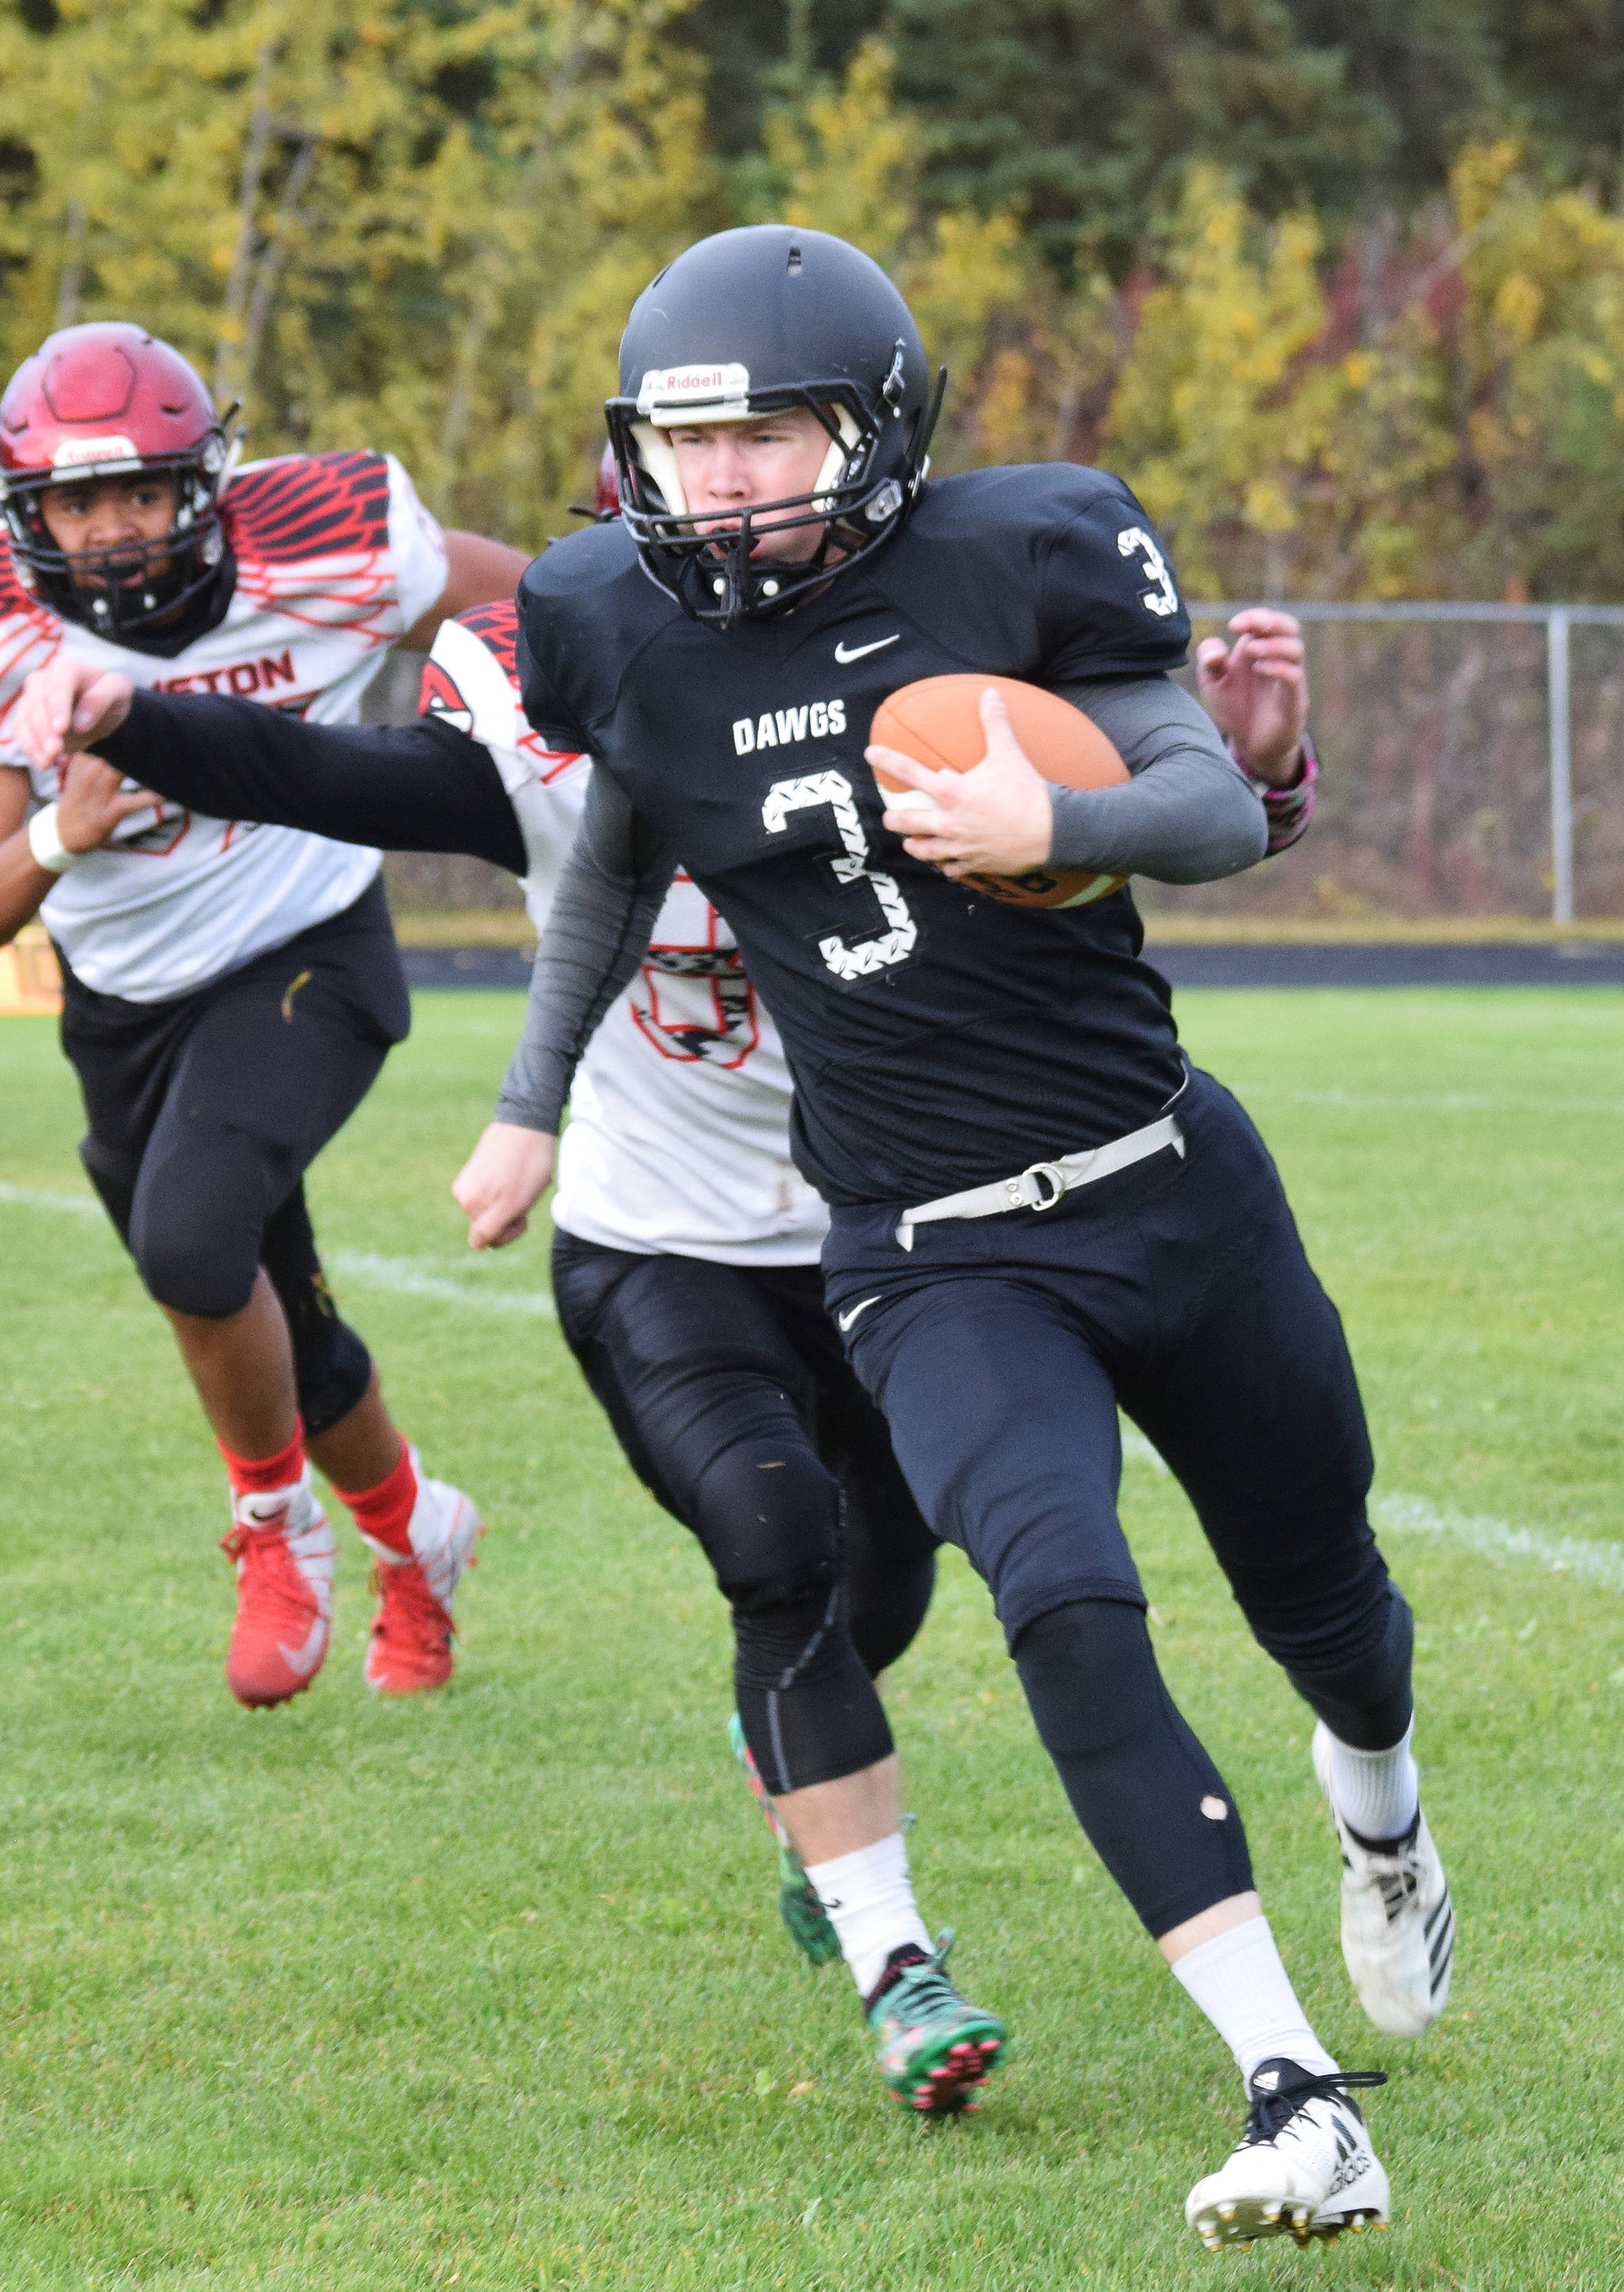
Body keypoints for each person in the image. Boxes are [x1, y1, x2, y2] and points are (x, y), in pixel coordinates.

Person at [16, 539, 1317, 2118]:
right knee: (780, 1552)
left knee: (878, 1588)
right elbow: (322, 769)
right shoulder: (564, 733)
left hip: (899, 1237)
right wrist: (135, 721)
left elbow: (1124, 836)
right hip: (661, 1247)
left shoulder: (919, 694)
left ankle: (795, 1748)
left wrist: (1260, 770)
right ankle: (897, 1963)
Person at [442, 226, 1451, 2244]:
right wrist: (531, 1099)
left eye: (770, 439)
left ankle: (1386, 1820)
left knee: (1323, 1595)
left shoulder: (1022, 554)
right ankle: (1293, 2087)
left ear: (878, 432)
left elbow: (1210, 802)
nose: (720, 485)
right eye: (685, 444)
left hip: (1167, 1178)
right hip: (923, 1243)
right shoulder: (613, 622)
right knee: (1060, 1596)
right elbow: (613, 871)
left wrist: (1048, 830)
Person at [0, 321, 530, 1708]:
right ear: (29, 513)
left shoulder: (325, 537)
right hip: (123, 1008)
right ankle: (420, 1539)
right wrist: (58, 835)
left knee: (190, 1233)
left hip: (312, 948)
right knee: (268, 1306)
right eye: (74, 501)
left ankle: (274, 1526)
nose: (111, 532)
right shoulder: (10, 627)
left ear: (206, 480)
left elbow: (540, 610)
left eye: (139, 493)